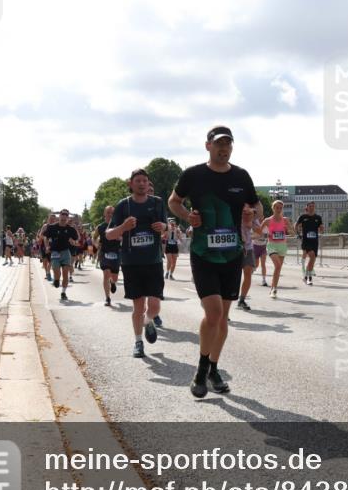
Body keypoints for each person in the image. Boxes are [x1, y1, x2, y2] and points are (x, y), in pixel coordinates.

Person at [168, 125, 260, 398]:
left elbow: (256, 207)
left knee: (224, 318)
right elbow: (174, 201)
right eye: (218, 143)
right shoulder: (193, 174)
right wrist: (187, 216)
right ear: (208, 146)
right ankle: (200, 369)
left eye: (228, 144)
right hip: (203, 253)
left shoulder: (241, 176)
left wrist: (250, 216)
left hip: (232, 254)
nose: (223, 148)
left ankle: (213, 368)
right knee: (214, 314)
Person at [108, 169, 168, 357]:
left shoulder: (157, 203)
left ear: (148, 184)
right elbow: (109, 234)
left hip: (153, 261)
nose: (142, 184)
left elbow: (167, 227)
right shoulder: (123, 206)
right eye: (138, 181)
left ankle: (149, 321)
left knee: (155, 305)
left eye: (145, 181)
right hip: (132, 263)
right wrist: (123, 227)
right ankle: (138, 342)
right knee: (138, 307)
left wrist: (163, 227)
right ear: (131, 184)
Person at [43, 209, 79, 300]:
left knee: (65, 273)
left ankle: (63, 292)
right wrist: (47, 246)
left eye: (66, 215)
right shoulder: (52, 227)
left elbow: (77, 238)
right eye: (63, 214)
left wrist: (74, 241)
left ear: (67, 217)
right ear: (60, 215)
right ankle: (56, 279)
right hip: (55, 252)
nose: (64, 216)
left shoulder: (70, 229)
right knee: (57, 272)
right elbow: (46, 238)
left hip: (66, 252)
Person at [262, 200, 294, 299]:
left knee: (278, 268)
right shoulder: (267, 220)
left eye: (280, 208)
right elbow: (259, 231)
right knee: (278, 265)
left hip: (282, 246)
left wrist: (289, 230)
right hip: (272, 245)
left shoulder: (285, 220)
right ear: (273, 208)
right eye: (277, 207)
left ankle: (273, 288)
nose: (279, 209)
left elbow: (293, 233)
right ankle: (274, 289)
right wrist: (267, 234)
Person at [95, 206, 121, 306]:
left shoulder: (118, 225)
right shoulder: (100, 227)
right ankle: (107, 298)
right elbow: (94, 238)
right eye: (108, 212)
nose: (110, 214)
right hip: (104, 253)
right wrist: (96, 244)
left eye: (112, 213)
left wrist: (120, 238)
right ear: (104, 214)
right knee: (106, 273)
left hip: (116, 252)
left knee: (114, 277)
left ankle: (113, 282)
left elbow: (124, 236)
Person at [296, 202, 324, 285]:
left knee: (313, 260)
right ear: (307, 207)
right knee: (311, 257)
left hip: (315, 241)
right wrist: (298, 234)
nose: (311, 208)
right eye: (310, 206)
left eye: (313, 206)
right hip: (306, 241)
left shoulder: (318, 217)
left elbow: (321, 227)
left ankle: (305, 276)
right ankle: (309, 278)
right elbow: (296, 225)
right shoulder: (303, 217)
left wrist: (322, 229)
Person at [237, 205, 256, 311]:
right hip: (232, 248)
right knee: (230, 276)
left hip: (248, 248)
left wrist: (251, 216)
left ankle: (242, 299)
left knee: (248, 273)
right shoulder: (233, 210)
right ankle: (224, 307)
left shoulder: (252, 213)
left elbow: (258, 230)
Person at [38, 214, 57, 282]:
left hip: (52, 245)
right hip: (44, 245)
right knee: (44, 260)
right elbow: (40, 235)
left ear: (55, 220)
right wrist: (46, 238)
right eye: (50, 218)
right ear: (48, 219)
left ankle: (48, 272)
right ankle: (47, 273)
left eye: (53, 219)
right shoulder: (45, 226)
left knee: (52, 259)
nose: (52, 220)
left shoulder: (56, 227)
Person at [251, 210, 268, 286]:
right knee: (256, 265)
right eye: (259, 217)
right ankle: (249, 274)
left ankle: (264, 280)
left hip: (263, 247)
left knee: (263, 264)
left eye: (262, 217)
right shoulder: (255, 226)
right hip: (255, 247)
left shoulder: (266, 227)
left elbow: (268, 236)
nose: (261, 218)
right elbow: (251, 236)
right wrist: (257, 236)